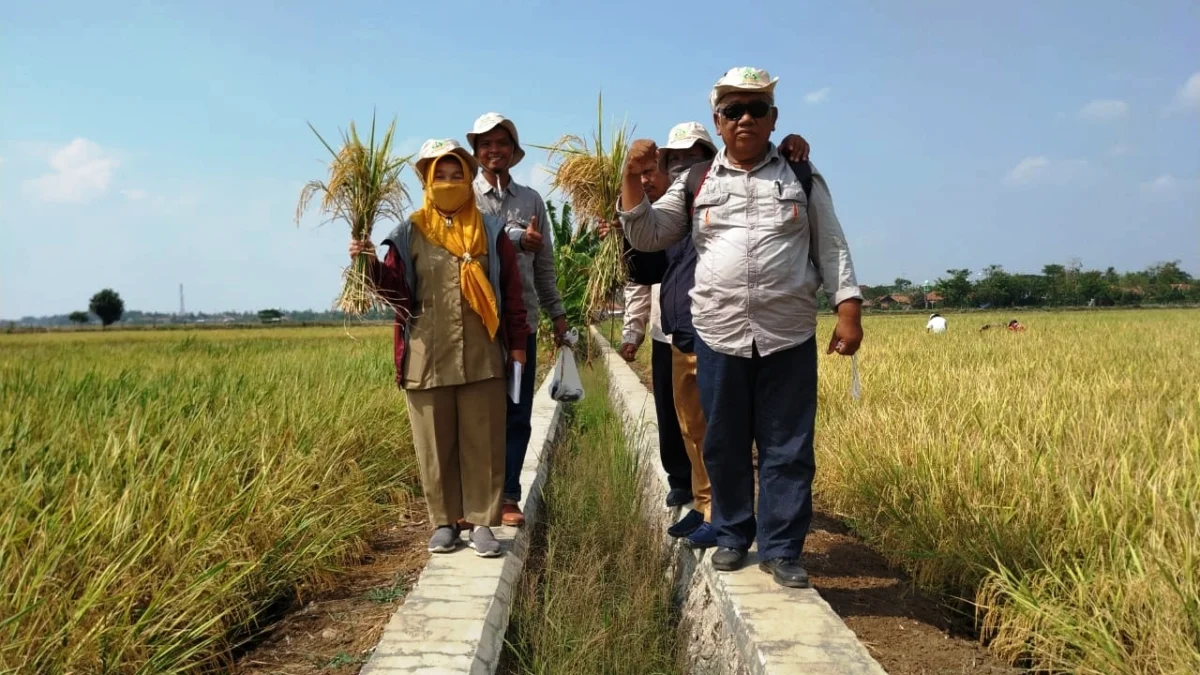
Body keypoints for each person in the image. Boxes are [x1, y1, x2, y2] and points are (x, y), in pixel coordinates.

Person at [619, 67, 864, 589]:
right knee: (725, 439)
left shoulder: (800, 175)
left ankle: (782, 549)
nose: (745, 118)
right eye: (734, 111)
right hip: (719, 331)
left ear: (774, 118)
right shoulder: (695, 180)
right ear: (719, 121)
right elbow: (647, 237)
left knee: (788, 445)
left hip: (788, 330)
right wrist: (629, 178)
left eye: (756, 109)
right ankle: (731, 532)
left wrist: (849, 308)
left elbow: (833, 244)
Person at [605, 122, 811, 549]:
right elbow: (644, 269)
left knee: (749, 435)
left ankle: (745, 527)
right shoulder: (672, 211)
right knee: (697, 429)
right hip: (677, 331)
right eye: (673, 160)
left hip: (725, 332)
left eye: (689, 159)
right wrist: (626, 227)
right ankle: (709, 509)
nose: (681, 167)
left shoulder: (720, 197)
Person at [350, 138, 530, 558]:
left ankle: (483, 523)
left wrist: (517, 345)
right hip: (426, 356)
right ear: (427, 182)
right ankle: (445, 522)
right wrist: (369, 265)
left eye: (456, 175)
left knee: (483, 441)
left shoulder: (490, 231)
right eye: (440, 177)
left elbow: (511, 292)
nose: (449, 183)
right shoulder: (408, 232)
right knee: (434, 444)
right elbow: (397, 294)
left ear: (468, 179)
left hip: (483, 354)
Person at [468, 113, 569, 527]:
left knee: (516, 411)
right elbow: (472, 243)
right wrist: (512, 239)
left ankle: (509, 496)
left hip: (520, 325)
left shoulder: (531, 202)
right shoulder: (463, 196)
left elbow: (544, 267)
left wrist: (558, 317)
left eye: (502, 143)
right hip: (474, 327)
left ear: (513, 151)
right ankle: (473, 499)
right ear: (476, 153)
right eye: (486, 144)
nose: (495, 150)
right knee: (475, 414)